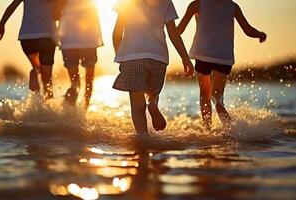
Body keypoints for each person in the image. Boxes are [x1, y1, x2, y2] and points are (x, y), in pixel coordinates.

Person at [177, 0, 267, 129]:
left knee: (204, 93)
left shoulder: (197, 4)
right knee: (216, 94)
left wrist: (160, 28)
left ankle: (207, 128)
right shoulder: (233, 6)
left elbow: (179, 30)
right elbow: (248, 30)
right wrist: (260, 34)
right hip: (223, 57)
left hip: (203, 55)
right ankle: (220, 107)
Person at [112, 0, 194, 139]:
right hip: (158, 57)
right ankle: (152, 103)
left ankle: (143, 139)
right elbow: (173, 33)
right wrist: (185, 58)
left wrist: (120, 55)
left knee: (137, 106)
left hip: (133, 56)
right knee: (153, 93)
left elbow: (117, 32)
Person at [0, 0, 58, 99]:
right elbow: (58, 14)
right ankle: (47, 109)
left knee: (38, 69)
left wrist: (1, 24)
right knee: (47, 80)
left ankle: (34, 72)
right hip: (46, 37)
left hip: (27, 38)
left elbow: (12, 6)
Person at [56, 0, 103, 109]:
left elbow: (56, 14)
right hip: (89, 40)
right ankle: (84, 111)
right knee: (89, 82)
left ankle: (68, 113)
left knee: (75, 83)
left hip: (69, 41)